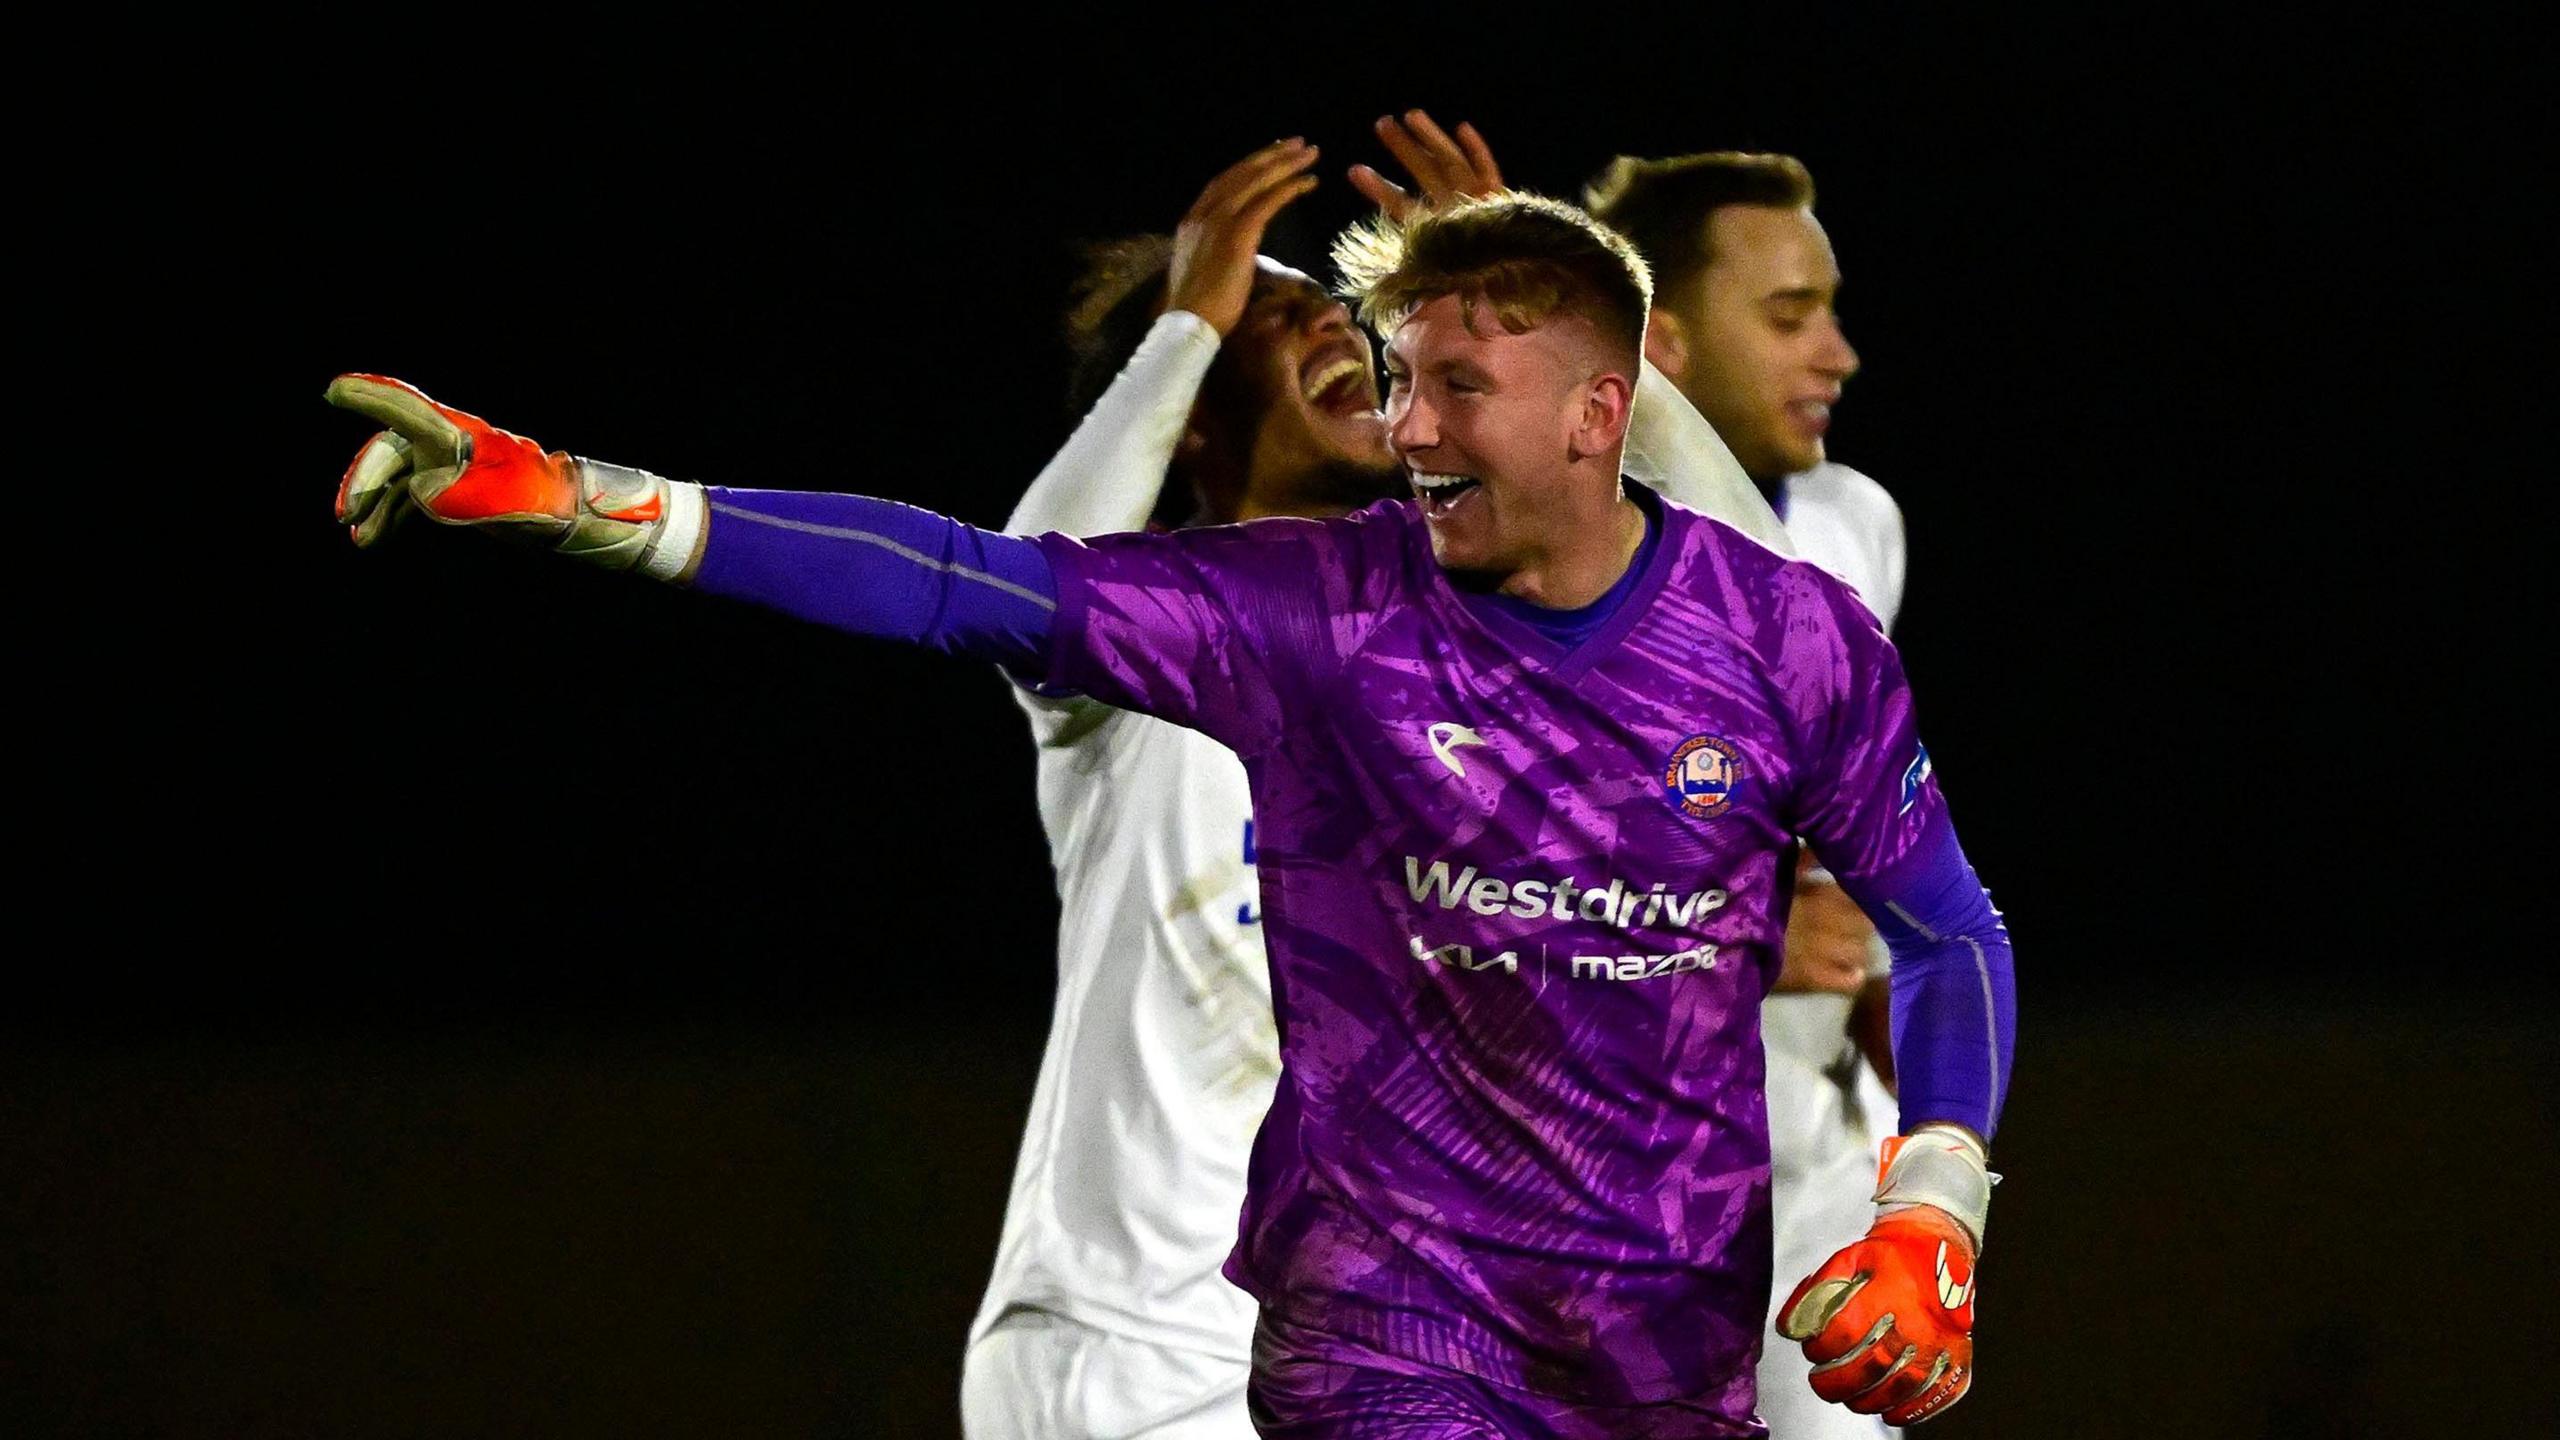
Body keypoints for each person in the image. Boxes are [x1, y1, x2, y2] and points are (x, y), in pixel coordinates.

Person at [326, 184, 2012, 1438]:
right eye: (1392, 377)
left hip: (1659, 1344)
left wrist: (1933, 1206)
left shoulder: (1783, 636)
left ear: (1595, 413)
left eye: (1454, 387)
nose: (1409, 425)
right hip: (1378, 1329)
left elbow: (1951, 929)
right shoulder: (1304, 614)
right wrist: (586, 499)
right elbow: (959, 580)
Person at [970, 128, 1788, 1439]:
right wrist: (1184, 322)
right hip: (1136, 1354)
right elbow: (1015, 596)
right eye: (1279, 318)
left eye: (1362, 323)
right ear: (1191, 416)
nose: (1347, 337)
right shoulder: (1150, 651)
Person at [1585, 151, 1911, 1440]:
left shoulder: (1854, 521)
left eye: (1829, 308)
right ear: (1658, 340)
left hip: (1809, 1152)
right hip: (1602, 1173)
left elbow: (1852, 817)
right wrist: (1729, 927)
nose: (1835, 353)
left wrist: (1899, 1011)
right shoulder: (1536, 552)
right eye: (1788, 316)